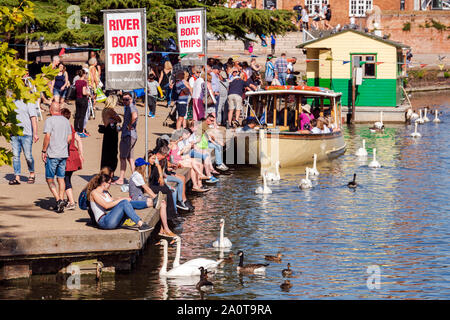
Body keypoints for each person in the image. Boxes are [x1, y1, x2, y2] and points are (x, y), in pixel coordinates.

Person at [87, 174, 153, 232]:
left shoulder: (105, 193)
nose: (110, 186)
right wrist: (122, 200)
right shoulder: (94, 193)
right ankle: (141, 224)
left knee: (126, 202)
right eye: (109, 183)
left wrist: (123, 198)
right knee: (124, 202)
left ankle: (151, 204)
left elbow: (113, 201)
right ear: (104, 183)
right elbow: (106, 205)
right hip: (104, 222)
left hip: (112, 219)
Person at [129, 158, 176, 237]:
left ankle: (162, 229)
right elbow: (146, 189)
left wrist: (156, 198)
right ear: (142, 166)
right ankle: (166, 229)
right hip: (137, 200)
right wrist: (155, 197)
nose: (146, 167)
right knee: (162, 204)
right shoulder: (137, 175)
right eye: (145, 165)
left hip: (140, 198)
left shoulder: (136, 174)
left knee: (162, 203)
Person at [42, 102, 72, 213]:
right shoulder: (66, 121)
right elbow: (69, 138)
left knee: (49, 179)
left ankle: (58, 199)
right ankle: (61, 199)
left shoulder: (49, 120)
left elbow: (47, 136)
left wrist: (44, 150)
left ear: (51, 110)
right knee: (61, 178)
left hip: (53, 153)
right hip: (63, 153)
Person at [9, 99, 39, 185]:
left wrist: (35, 134)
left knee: (28, 156)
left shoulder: (29, 101)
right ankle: (17, 177)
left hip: (27, 133)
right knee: (15, 156)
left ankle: (32, 174)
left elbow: (33, 118)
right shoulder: (12, 101)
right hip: (14, 133)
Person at [61, 108, 84, 210]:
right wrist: (80, 154)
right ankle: (69, 199)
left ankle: (71, 202)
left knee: (65, 179)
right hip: (74, 155)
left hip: (67, 157)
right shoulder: (70, 126)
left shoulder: (64, 127)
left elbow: (66, 141)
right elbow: (79, 140)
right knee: (67, 178)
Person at [147, 149, 178, 220]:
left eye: (155, 159)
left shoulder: (154, 167)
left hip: (154, 185)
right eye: (152, 159)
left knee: (167, 189)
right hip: (149, 187)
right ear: (147, 158)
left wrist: (158, 168)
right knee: (168, 191)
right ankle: (171, 216)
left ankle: (172, 214)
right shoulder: (146, 167)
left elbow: (160, 179)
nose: (154, 160)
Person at [115, 92, 138, 185]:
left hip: (128, 136)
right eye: (123, 99)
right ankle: (136, 178)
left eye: (127, 99)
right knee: (130, 158)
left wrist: (129, 125)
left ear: (131, 99)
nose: (124, 101)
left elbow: (135, 116)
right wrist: (122, 128)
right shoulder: (128, 107)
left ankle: (121, 179)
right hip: (131, 135)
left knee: (123, 157)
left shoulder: (131, 107)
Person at [99, 95, 121, 174]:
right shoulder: (110, 110)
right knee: (112, 154)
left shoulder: (104, 110)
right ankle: (110, 172)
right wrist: (118, 116)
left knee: (106, 153)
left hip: (107, 132)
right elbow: (119, 119)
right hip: (111, 133)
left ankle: (105, 171)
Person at [74, 69, 90, 137]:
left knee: (77, 115)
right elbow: (83, 92)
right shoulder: (84, 82)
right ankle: (80, 131)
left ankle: (75, 130)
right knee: (82, 116)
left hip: (77, 99)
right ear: (83, 74)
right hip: (83, 99)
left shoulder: (76, 81)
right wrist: (88, 93)